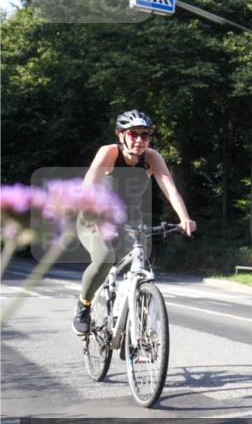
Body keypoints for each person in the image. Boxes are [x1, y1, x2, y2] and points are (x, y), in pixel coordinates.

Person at [73, 109, 196, 334]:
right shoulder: (108, 153)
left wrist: (184, 218)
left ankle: (137, 328)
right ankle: (84, 305)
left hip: (130, 221)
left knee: (139, 269)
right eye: (133, 134)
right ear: (121, 135)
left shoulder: (152, 157)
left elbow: (170, 189)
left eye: (145, 135)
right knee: (104, 259)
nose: (139, 140)